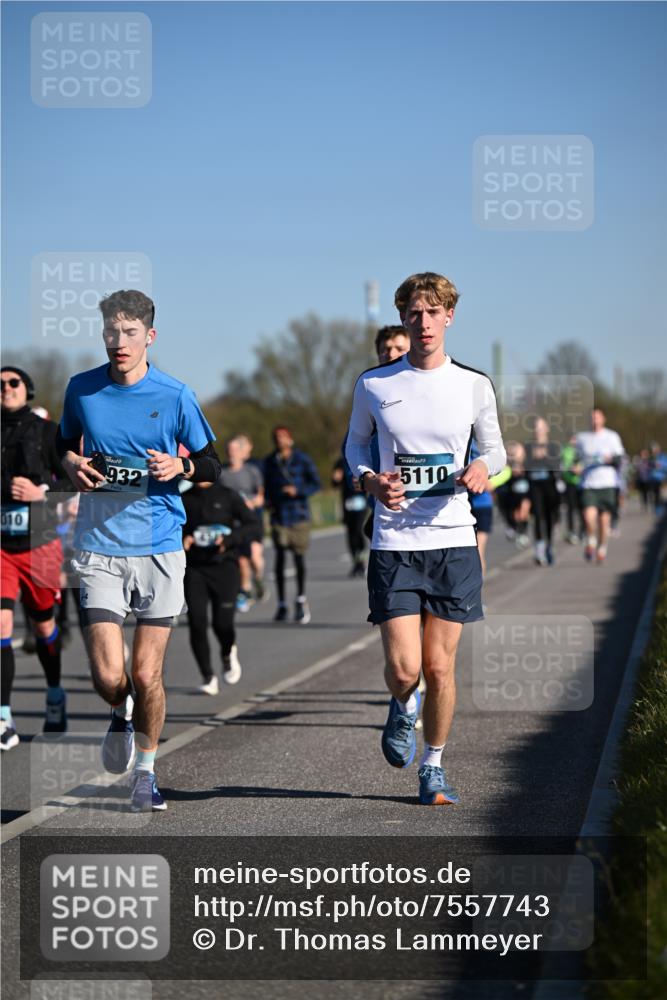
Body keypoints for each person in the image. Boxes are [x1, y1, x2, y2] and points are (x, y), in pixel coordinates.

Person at [56, 289, 222, 811]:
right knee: (110, 676)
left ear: (149, 336)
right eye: (111, 331)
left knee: (148, 672)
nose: (119, 342)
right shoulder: (81, 390)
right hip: (99, 547)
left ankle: (146, 774)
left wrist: (184, 468)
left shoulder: (175, 395)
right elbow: (62, 444)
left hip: (159, 546)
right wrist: (68, 465)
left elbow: (211, 461)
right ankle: (120, 709)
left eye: (130, 333)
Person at [346, 271, 506, 806]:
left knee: (439, 668)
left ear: (449, 317)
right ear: (402, 318)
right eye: (414, 313)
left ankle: (433, 767)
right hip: (394, 542)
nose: (424, 322)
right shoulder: (375, 384)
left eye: (434, 312)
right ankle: (400, 704)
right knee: (404, 668)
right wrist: (371, 480)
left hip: (454, 539)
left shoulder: (474, 384)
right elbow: (355, 449)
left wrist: (484, 468)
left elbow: (497, 452)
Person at [1, 367, 71, 749]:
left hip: (40, 542)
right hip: (0, 547)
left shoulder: (48, 431)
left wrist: (41, 490)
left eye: (13, 383)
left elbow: (73, 481)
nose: (5, 389)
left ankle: (56, 692)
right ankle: (3, 717)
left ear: (27, 390)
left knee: (44, 627)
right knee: (1, 624)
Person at [182, 479, 259, 693]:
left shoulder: (228, 495)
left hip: (224, 567)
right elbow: (173, 526)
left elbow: (252, 523)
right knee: (197, 621)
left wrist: (230, 539)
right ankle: (207, 676)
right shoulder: (185, 498)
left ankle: (227, 652)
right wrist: (183, 538)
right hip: (195, 568)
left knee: (222, 623)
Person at [263, 427, 321, 624]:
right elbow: (265, 485)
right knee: (279, 558)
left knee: (298, 558)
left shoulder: (302, 459)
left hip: (298, 515)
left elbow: (316, 484)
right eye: (276, 437)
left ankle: (300, 599)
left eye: (283, 437)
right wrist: (267, 501)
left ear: (290, 439)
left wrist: (298, 490)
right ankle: (281, 603)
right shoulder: (270, 462)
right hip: (279, 516)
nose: (279, 441)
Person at [219, 436, 266, 611]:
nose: (231, 453)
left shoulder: (251, 471)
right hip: (234, 523)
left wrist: (250, 504)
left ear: (241, 452)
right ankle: (244, 591)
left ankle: (259, 579)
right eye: (228, 449)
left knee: (254, 557)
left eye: (234, 449)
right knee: (241, 560)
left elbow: (261, 497)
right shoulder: (222, 473)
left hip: (251, 520)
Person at [575, 408, 625, 564]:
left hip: (607, 484)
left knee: (604, 523)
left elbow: (619, 458)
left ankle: (602, 548)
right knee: (589, 518)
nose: (594, 420)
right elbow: (575, 459)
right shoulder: (582, 438)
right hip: (589, 484)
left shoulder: (612, 436)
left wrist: (608, 459)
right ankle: (591, 541)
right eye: (591, 417)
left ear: (603, 419)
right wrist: (576, 466)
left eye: (597, 417)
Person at [525, 417, 561, 566]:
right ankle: (539, 550)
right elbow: (524, 465)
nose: (538, 430)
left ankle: (549, 547)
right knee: (538, 516)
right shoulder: (528, 447)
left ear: (547, 429)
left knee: (550, 518)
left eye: (541, 427)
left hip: (550, 486)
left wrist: (544, 457)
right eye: (536, 427)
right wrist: (533, 459)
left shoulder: (553, 447)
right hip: (534, 486)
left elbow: (557, 465)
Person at [331, 457, 368, 577]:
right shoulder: (340, 462)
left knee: (358, 531)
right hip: (347, 502)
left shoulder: (361, 459)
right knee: (350, 534)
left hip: (360, 501)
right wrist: (335, 479)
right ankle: (355, 564)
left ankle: (362, 562)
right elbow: (334, 483)